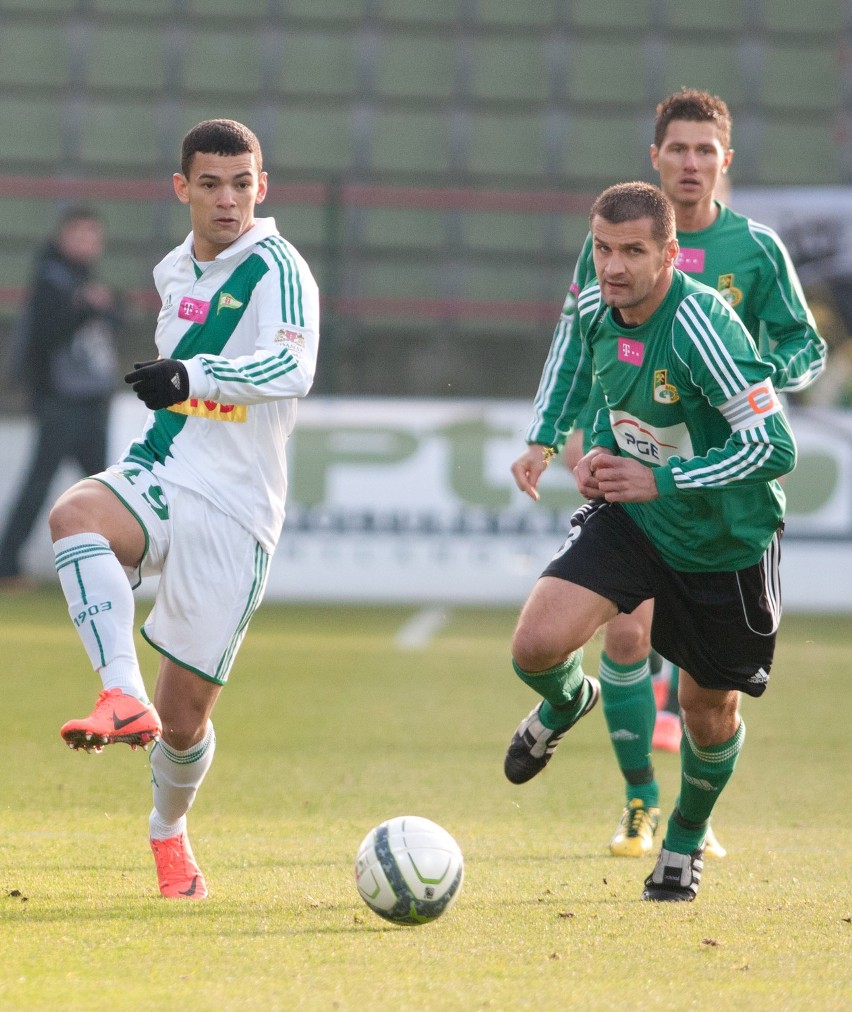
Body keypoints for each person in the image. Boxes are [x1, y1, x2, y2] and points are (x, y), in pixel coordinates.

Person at [511, 89, 826, 863]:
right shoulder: (613, 257)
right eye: (676, 148)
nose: (691, 162)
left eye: (704, 150)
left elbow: (796, 371)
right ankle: (638, 799)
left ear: (723, 162)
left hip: (726, 508)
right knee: (585, 636)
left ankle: (685, 831)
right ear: (656, 156)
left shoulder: (745, 261)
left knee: (706, 704)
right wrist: (551, 440)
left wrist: (749, 377)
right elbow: (579, 350)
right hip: (643, 499)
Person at [48, 119, 319, 899]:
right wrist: (179, 390)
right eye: (211, 183)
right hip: (165, 467)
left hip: (236, 509)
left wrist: (192, 376)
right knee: (75, 515)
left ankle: (168, 830)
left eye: (242, 183)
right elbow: (176, 391)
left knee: (186, 718)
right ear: (183, 189)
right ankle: (118, 694)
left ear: (261, 188)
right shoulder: (174, 271)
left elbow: (293, 365)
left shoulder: (277, 266)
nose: (227, 199)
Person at [0, 207, 120, 589]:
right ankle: (7, 563)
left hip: (90, 401)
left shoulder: (81, 279)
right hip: (61, 402)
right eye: (80, 235)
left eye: (92, 236)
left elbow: (114, 319)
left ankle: (106, 565)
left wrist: (101, 307)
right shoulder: (52, 279)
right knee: (50, 485)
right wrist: (87, 308)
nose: (88, 244)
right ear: (64, 237)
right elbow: (46, 336)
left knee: (102, 489)